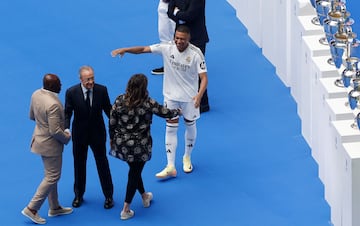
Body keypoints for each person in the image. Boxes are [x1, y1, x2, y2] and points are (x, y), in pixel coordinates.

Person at [111, 25, 208, 179]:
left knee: (190, 125)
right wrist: (125, 49)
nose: (178, 41)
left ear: (188, 39)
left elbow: (204, 78)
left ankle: (187, 157)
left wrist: (199, 95)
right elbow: (143, 49)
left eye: (182, 39)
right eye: (176, 38)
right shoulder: (167, 47)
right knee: (171, 128)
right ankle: (170, 166)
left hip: (190, 98)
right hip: (171, 96)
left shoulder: (196, 54)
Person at [109, 73, 180, 220]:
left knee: (135, 170)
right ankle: (125, 209)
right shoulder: (147, 103)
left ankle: (144, 196)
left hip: (122, 144)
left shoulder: (119, 100)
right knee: (134, 173)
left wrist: (112, 139)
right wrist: (177, 111)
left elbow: (112, 122)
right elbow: (165, 113)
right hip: (140, 146)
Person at [22, 73, 73, 225]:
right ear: (52, 86)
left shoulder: (36, 94)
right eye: (59, 83)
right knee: (52, 177)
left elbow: (32, 116)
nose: (61, 86)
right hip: (51, 146)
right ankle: (32, 208)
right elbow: (55, 131)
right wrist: (67, 136)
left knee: (51, 175)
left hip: (39, 140)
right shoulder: (54, 104)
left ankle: (54, 206)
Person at [64, 65, 114, 209]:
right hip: (79, 135)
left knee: (102, 164)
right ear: (81, 79)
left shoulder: (102, 90)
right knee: (79, 165)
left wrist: (116, 126)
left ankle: (109, 195)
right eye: (87, 79)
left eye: (92, 78)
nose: (91, 82)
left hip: (97, 134)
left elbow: (108, 110)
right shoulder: (71, 92)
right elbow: (67, 112)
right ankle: (78, 195)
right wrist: (66, 128)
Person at [167, 0, 210, 113]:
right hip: (181, 38)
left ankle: (203, 103)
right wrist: (180, 15)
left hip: (197, 39)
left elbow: (190, 16)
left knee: (198, 72)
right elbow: (169, 12)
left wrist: (177, 13)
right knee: (182, 70)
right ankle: (185, 100)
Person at [151, 0, 176, 75]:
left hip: (177, 4)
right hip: (163, 4)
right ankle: (168, 65)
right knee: (163, 35)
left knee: (178, 34)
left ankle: (182, 65)